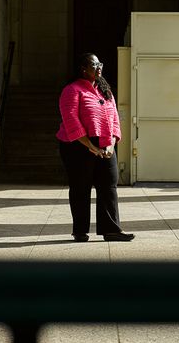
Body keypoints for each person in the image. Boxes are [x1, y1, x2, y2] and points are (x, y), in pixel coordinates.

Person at [56, 53, 135, 242]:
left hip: (105, 144)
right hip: (77, 145)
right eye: (94, 65)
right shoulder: (72, 90)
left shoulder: (105, 90)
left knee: (109, 185)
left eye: (100, 63)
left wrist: (111, 143)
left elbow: (115, 118)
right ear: (83, 69)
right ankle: (80, 231)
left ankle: (111, 230)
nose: (99, 67)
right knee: (80, 187)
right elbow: (71, 120)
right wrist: (90, 145)